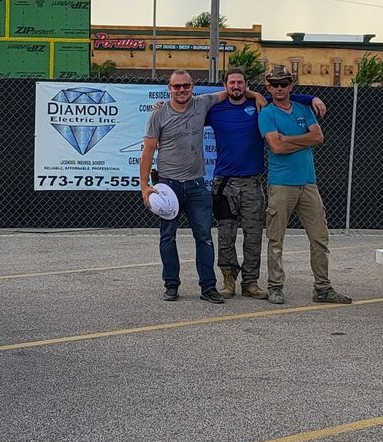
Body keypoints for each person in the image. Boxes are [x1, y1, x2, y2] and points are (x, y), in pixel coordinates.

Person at [139, 70, 260, 302]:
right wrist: (144, 186)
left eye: (185, 86)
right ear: (169, 88)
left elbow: (233, 91)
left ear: (193, 86)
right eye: (176, 86)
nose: (181, 90)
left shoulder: (202, 103)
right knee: (167, 237)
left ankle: (208, 287)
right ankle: (171, 284)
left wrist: (258, 96)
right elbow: (148, 152)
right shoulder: (158, 115)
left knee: (204, 237)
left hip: (196, 186)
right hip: (168, 186)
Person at [206, 67, 324, 298]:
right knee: (226, 234)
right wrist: (162, 107)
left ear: (247, 85)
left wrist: (310, 98)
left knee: (253, 235)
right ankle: (228, 280)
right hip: (224, 183)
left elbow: (286, 95)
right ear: (225, 86)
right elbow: (187, 109)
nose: (236, 86)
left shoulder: (260, 106)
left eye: (240, 82)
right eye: (232, 83)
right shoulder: (215, 110)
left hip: (252, 182)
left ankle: (250, 282)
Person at [259, 66, 352, 306]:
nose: (279, 88)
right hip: (281, 184)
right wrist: (303, 140)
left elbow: (318, 137)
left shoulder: (303, 109)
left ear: (291, 86)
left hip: (308, 183)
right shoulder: (267, 113)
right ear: (268, 87)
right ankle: (275, 286)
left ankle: (322, 287)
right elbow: (275, 147)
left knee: (320, 237)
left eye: (284, 83)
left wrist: (287, 138)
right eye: (275, 84)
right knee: (276, 239)